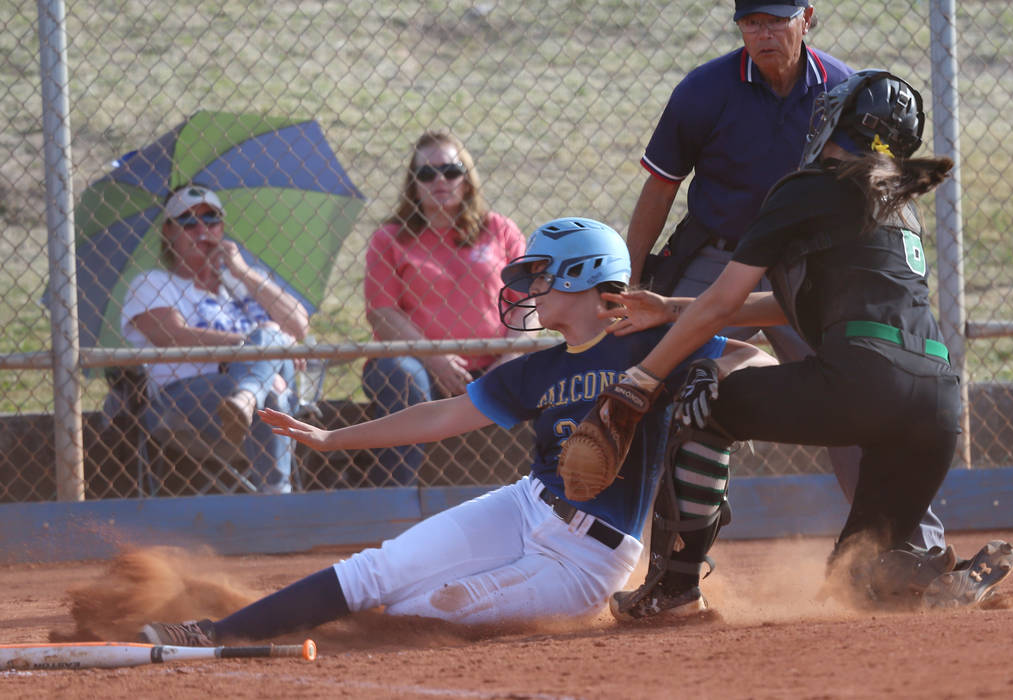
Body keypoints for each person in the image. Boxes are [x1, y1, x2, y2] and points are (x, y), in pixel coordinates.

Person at [136, 217, 776, 646]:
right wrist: (332, 438)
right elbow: (439, 416)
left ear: (584, 277)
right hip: (526, 506)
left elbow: (759, 359)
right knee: (377, 573)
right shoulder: (539, 369)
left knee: (430, 609)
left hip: (589, 555)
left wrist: (707, 377)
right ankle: (216, 635)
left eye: (540, 275)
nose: (525, 287)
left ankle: (295, 640)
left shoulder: (660, 342)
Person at [596, 71, 1013, 618]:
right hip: (936, 404)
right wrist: (673, 307)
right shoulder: (899, 205)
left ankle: (674, 590)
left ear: (834, 120)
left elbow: (723, 302)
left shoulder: (807, 186)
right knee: (856, 575)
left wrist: (643, 377)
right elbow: (791, 305)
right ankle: (927, 574)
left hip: (864, 383)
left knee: (702, 407)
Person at [626, 0, 946, 552]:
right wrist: (631, 281)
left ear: (808, 17)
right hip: (723, 255)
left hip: (812, 262)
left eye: (777, 19)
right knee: (659, 379)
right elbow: (661, 187)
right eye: (752, 22)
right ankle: (624, 544)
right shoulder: (705, 90)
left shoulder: (848, 91)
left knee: (858, 387)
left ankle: (912, 548)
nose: (764, 33)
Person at [363, 130, 526, 486]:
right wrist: (433, 358)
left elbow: (528, 302)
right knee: (403, 376)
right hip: (415, 364)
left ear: (466, 180)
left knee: (550, 369)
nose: (440, 180)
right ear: (414, 184)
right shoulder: (390, 238)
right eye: (427, 173)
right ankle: (392, 498)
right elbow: (382, 312)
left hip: (494, 364)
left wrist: (512, 357)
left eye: (450, 171)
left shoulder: (498, 230)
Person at [121, 185, 309, 494]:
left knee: (271, 382)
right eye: (188, 221)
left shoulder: (245, 283)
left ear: (222, 228)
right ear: (168, 231)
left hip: (250, 393)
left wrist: (244, 272)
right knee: (272, 388)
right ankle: (278, 503)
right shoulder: (152, 283)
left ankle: (246, 398)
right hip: (188, 397)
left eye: (211, 220)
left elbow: (299, 324)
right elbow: (174, 335)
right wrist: (259, 344)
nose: (201, 230)